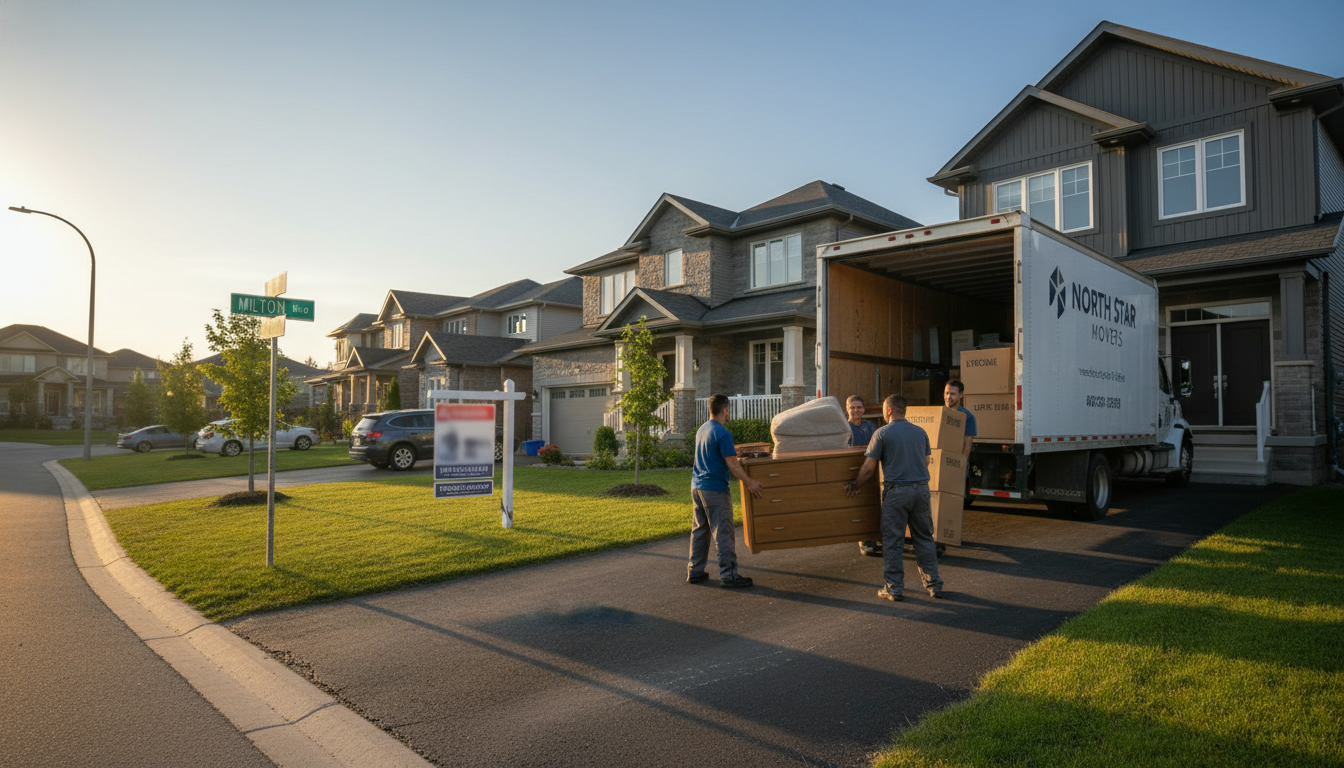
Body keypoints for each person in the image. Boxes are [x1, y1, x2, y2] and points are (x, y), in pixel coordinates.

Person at [845, 394, 943, 601]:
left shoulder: (881, 434)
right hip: (921, 491)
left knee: (893, 540)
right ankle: (933, 584)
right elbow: (926, 461)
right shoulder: (920, 432)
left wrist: (855, 484)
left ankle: (894, 588)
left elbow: (869, 468)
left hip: (897, 492)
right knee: (924, 538)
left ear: (889, 410)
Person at [688, 393, 764, 588]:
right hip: (715, 490)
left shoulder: (702, 429)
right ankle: (729, 575)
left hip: (697, 487)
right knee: (723, 532)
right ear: (726, 410)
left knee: (700, 530)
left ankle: (695, 571)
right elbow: (733, 464)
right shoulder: (722, 433)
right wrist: (749, 482)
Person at [847, 395, 884, 557]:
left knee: (874, 505)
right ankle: (864, 540)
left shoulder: (870, 426)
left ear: (864, 409)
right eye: (853, 407)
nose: (856, 411)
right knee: (859, 507)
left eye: (859, 407)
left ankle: (875, 536)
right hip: (854, 469)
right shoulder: (844, 428)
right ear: (847, 409)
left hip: (871, 469)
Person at [943, 380, 977, 458]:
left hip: (955, 460)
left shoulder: (967, 416)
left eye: (952, 394)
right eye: (946, 393)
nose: (948, 397)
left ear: (961, 394)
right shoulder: (939, 414)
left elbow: (967, 445)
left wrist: (960, 466)